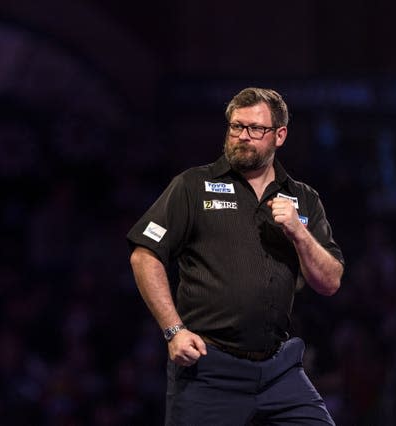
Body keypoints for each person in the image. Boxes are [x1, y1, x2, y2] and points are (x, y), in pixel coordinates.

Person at [127, 88, 344, 425]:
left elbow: (330, 282)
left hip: (279, 368)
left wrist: (300, 233)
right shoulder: (193, 186)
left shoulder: (303, 198)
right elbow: (144, 256)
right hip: (209, 368)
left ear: (280, 135)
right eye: (235, 127)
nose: (243, 136)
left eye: (255, 129)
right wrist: (173, 331)